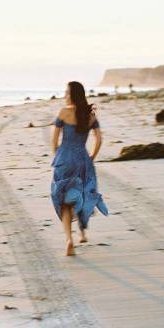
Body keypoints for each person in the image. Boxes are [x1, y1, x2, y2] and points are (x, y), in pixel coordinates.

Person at [51, 81, 109, 256]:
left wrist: (59, 158)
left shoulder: (63, 113)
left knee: (64, 202)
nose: (65, 95)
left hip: (64, 159)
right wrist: (91, 157)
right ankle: (82, 232)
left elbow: (54, 142)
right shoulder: (90, 116)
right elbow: (99, 140)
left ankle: (69, 240)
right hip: (82, 159)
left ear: (73, 95)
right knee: (83, 195)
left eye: (67, 92)